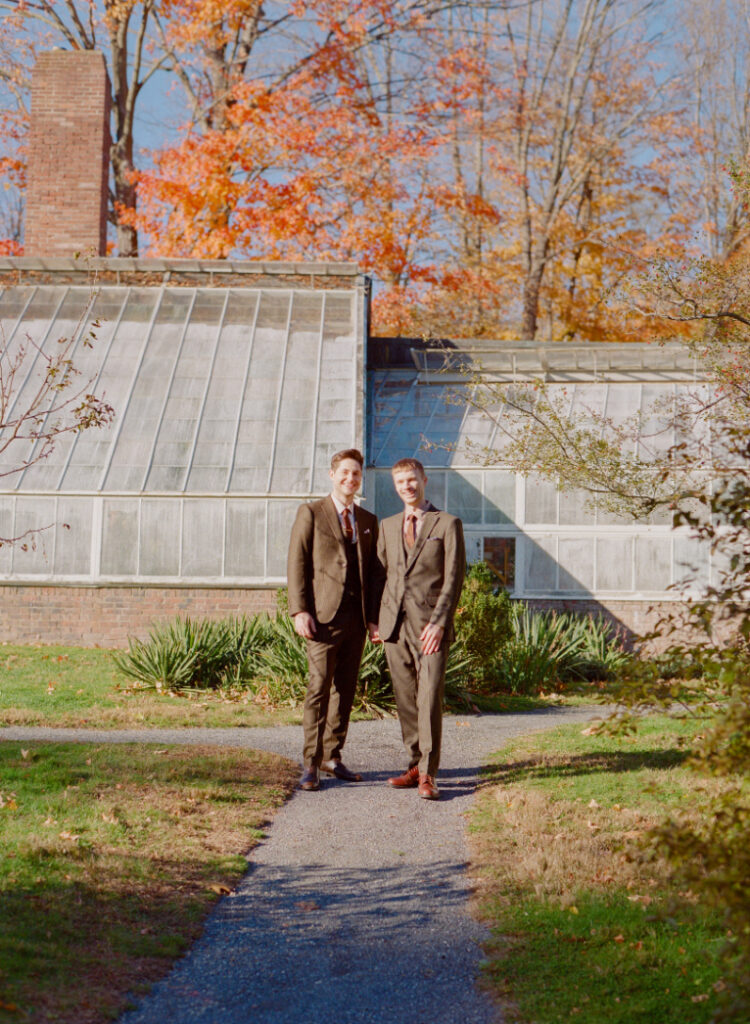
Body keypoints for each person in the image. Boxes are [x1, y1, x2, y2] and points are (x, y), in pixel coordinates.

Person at [287, 448, 381, 792]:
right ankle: (310, 762)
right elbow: (297, 563)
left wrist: (373, 620)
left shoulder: (368, 521)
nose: (350, 479)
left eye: (355, 474)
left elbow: (373, 574)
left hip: (356, 620)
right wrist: (299, 610)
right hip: (322, 619)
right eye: (344, 472)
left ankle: (332, 756)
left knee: (346, 690)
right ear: (332, 474)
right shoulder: (311, 512)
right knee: (318, 689)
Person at [375, 458, 465, 800]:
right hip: (394, 627)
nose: (406, 487)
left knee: (428, 699)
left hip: (430, 629)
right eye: (400, 482)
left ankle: (429, 772)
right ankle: (414, 764)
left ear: (424, 480)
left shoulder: (447, 524)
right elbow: (380, 576)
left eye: (411, 480)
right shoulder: (388, 525)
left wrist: (440, 622)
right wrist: (376, 621)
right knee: (406, 700)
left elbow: (454, 578)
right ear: (395, 486)